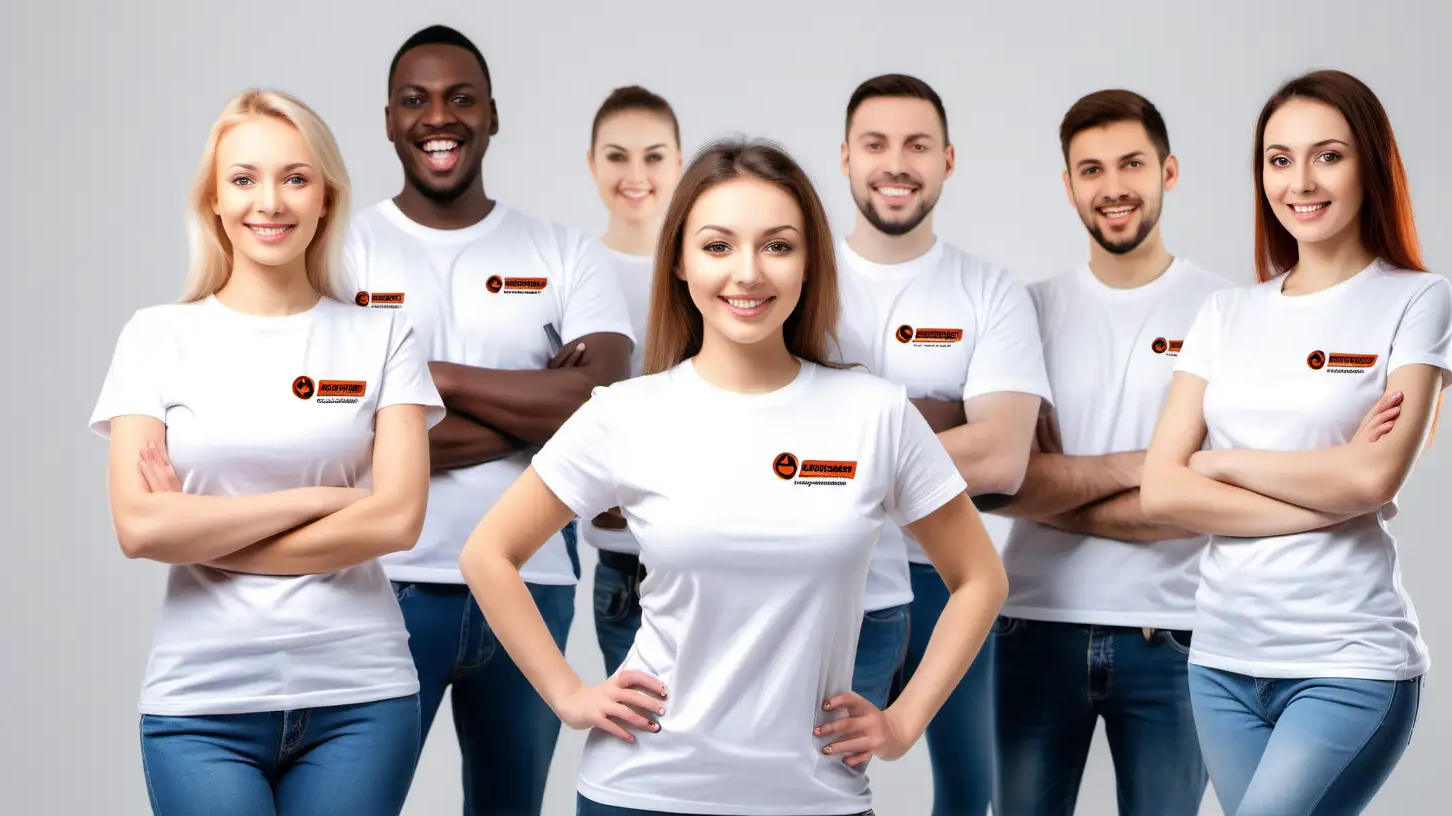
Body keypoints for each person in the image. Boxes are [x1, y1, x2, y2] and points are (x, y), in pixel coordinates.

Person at [458, 137, 1009, 816]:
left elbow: (981, 577)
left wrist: (903, 722)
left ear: (810, 264)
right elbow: (487, 553)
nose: (747, 273)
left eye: (777, 246)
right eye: (718, 246)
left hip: (817, 801)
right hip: (642, 792)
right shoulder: (627, 414)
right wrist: (571, 695)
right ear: (682, 265)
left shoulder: (875, 412)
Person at [89, 88, 444, 815]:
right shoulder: (155, 337)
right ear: (214, 201)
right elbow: (140, 529)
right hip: (202, 706)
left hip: (361, 698)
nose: (270, 201)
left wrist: (203, 528)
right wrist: (324, 500)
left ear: (325, 198)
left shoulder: (383, 336)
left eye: (295, 177)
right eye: (244, 178)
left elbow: (397, 522)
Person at [338, 25, 636, 816]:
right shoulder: (340, 253)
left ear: (494, 115)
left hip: (532, 584)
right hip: (380, 583)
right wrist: (537, 414)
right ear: (391, 120)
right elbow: (344, 437)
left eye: (461, 98)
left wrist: (424, 378)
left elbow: (602, 405)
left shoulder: (564, 252)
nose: (440, 117)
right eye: (417, 100)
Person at [1141, 68, 1446, 815]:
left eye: (1327, 155)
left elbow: (1374, 482)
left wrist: (1223, 462)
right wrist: (1327, 484)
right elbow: (1162, 490)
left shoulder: (1417, 300)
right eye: (1279, 159)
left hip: (1348, 662)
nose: (1299, 181)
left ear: (1370, 164)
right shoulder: (1224, 314)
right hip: (1219, 662)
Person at [991, 89, 1229, 815]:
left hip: (1178, 637)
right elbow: (1002, 484)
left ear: (1169, 171)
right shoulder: (1021, 310)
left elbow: (1205, 503)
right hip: (1035, 626)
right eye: (1091, 169)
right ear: (1069, 186)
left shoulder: (1226, 311)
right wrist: (1152, 468)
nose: (1113, 186)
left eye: (1132, 163)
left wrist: (1053, 485)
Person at [831, 73, 1050, 815]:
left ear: (948, 160)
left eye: (917, 145)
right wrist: (940, 414)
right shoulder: (801, 278)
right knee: (811, 782)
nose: (897, 163)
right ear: (845, 158)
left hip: (950, 577)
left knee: (967, 792)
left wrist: (834, 449)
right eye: (877, 144)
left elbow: (1002, 458)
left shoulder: (990, 292)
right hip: (827, 577)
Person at [580, 85, 684, 675]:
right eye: (617, 156)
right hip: (625, 565)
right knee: (642, 749)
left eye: (654, 156)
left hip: (716, 548)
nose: (636, 173)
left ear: (678, 162)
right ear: (592, 165)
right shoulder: (572, 270)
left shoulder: (710, 268)